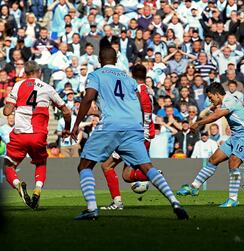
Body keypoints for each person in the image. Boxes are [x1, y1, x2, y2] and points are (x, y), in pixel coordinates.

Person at [69, 47, 188, 220]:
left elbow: (88, 98)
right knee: (147, 167)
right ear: (116, 60)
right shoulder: (130, 80)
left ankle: (92, 208)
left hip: (111, 124)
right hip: (133, 126)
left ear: (100, 60)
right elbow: (139, 103)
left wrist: (77, 123)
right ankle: (175, 202)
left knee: (84, 166)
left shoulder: (96, 75)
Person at [2, 61, 71, 209]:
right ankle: (38, 189)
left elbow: (7, 112)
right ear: (39, 72)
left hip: (19, 134)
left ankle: (17, 184)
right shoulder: (47, 88)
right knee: (41, 162)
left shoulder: (18, 85)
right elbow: (66, 111)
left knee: (8, 166)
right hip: (38, 135)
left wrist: (12, 104)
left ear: (25, 73)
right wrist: (66, 128)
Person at [177, 83, 244, 207]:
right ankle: (194, 187)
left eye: (210, 97)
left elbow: (216, 116)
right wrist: (213, 107)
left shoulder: (229, 100)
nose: (210, 100)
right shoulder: (227, 100)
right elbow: (216, 111)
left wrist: (198, 123)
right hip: (235, 136)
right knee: (213, 159)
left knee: (233, 162)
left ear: (217, 94)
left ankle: (233, 199)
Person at [99, 64, 156, 210]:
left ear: (132, 75)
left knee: (106, 165)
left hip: (134, 136)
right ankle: (149, 174)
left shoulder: (135, 91)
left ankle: (117, 203)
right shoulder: (148, 92)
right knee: (126, 175)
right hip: (145, 135)